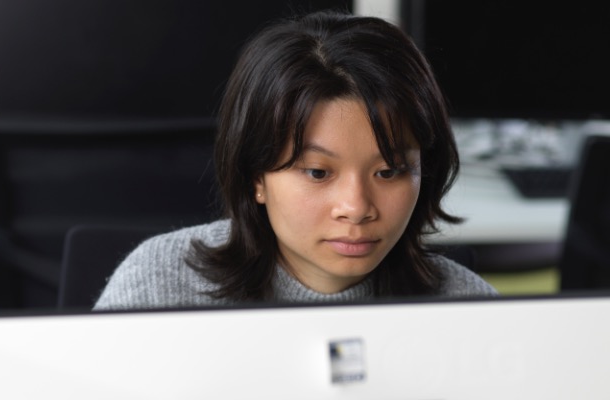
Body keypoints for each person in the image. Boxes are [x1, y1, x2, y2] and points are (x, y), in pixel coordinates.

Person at [94, 11, 497, 310]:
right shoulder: (157, 289)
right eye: (318, 172)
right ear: (256, 175)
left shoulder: (470, 310)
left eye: (388, 171)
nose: (356, 209)